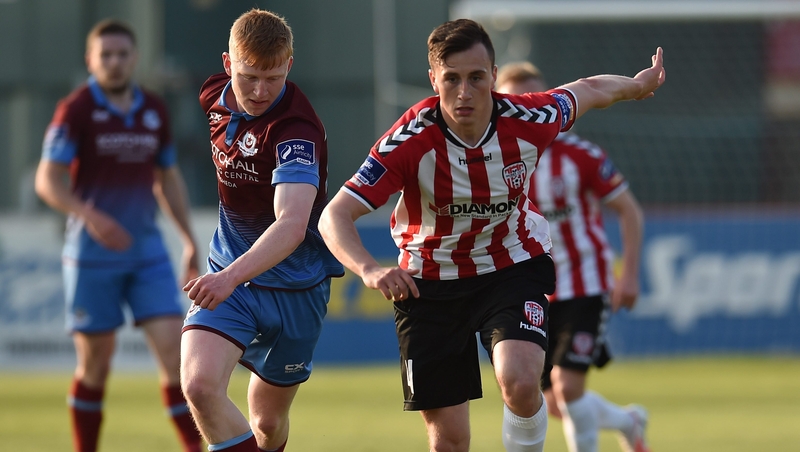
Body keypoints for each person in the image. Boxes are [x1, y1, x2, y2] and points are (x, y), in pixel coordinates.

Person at [319, 18, 664, 452]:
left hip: (510, 264)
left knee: (520, 381)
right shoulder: (408, 141)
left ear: (493, 76)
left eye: (476, 78)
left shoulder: (529, 118)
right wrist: (368, 268)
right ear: (433, 79)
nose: (464, 92)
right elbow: (334, 215)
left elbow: (589, 89)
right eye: (452, 79)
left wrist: (636, 85)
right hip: (428, 281)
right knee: (449, 440)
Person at [179, 8, 344, 452]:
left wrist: (229, 276)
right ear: (227, 65)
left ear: (289, 65)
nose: (259, 90)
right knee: (198, 386)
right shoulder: (212, 94)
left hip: (296, 287)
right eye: (249, 76)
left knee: (267, 422)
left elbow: (290, 225)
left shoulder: (296, 131)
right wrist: (228, 277)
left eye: (272, 78)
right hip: (230, 279)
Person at [35, 19, 202, 452]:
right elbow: (47, 181)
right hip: (92, 254)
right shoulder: (75, 110)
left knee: (175, 355)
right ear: (90, 60)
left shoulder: (154, 110)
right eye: (104, 55)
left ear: (135, 58)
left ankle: (195, 448)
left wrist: (188, 238)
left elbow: (167, 179)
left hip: (147, 252)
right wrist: (89, 214)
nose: (113, 62)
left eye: (121, 54)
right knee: (96, 366)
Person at [496, 62, 649, 452]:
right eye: (516, 101)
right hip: (531, 290)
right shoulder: (492, 161)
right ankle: (628, 421)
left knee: (568, 388)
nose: (527, 111)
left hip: (585, 282)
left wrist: (629, 274)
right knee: (551, 401)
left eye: (534, 100)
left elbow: (629, 210)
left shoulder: (580, 154)